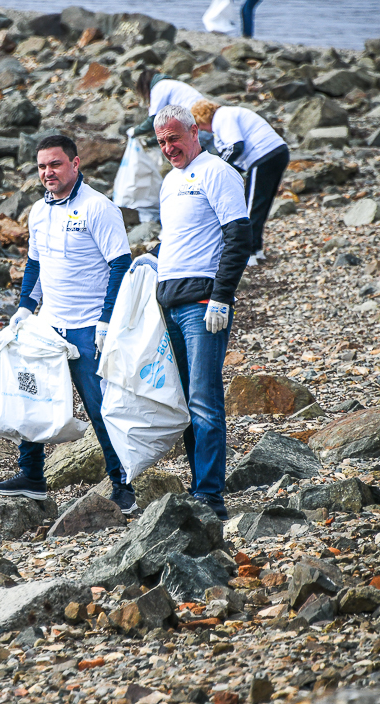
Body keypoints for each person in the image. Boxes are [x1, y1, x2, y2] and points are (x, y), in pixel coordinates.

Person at [0, 134, 137, 512]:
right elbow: (35, 264)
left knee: (101, 410)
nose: (47, 172)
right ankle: (32, 476)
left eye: (55, 164)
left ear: (75, 163)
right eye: (41, 166)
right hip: (48, 324)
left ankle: (124, 487)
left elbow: (121, 264)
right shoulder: (39, 211)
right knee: (31, 398)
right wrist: (25, 308)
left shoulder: (98, 208)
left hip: (88, 328)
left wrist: (106, 320)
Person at [151, 104, 252, 521]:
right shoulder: (170, 182)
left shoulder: (217, 173)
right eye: (162, 142)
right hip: (170, 305)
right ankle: (198, 487)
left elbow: (239, 236)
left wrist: (222, 297)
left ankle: (211, 496)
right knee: (184, 404)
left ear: (195, 132)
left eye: (174, 138)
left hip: (202, 306)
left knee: (204, 401)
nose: (168, 147)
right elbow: (175, 240)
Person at [190, 100, 289, 266]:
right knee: (261, 205)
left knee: (251, 208)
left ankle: (247, 253)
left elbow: (235, 146)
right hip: (278, 152)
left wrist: (216, 168)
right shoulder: (228, 115)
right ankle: (256, 250)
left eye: (199, 125)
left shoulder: (222, 116)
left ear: (203, 117)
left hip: (263, 156)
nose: (201, 130)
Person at [130, 68, 206, 140]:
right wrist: (150, 142)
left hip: (194, 120)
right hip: (204, 115)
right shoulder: (171, 84)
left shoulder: (159, 87)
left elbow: (154, 120)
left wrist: (135, 131)